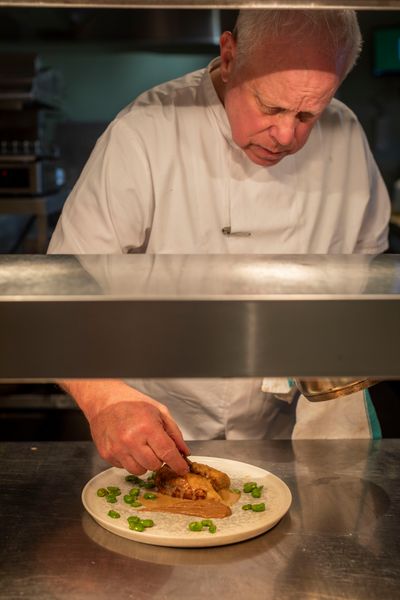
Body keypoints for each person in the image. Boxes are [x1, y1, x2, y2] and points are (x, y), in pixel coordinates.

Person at [48, 9, 391, 476]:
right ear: (229, 57)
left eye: (310, 114)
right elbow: (60, 290)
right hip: (154, 429)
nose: (287, 135)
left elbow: (366, 277)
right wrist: (103, 399)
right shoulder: (146, 132)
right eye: (269, 107)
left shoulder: (347, 135)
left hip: (287, 439)